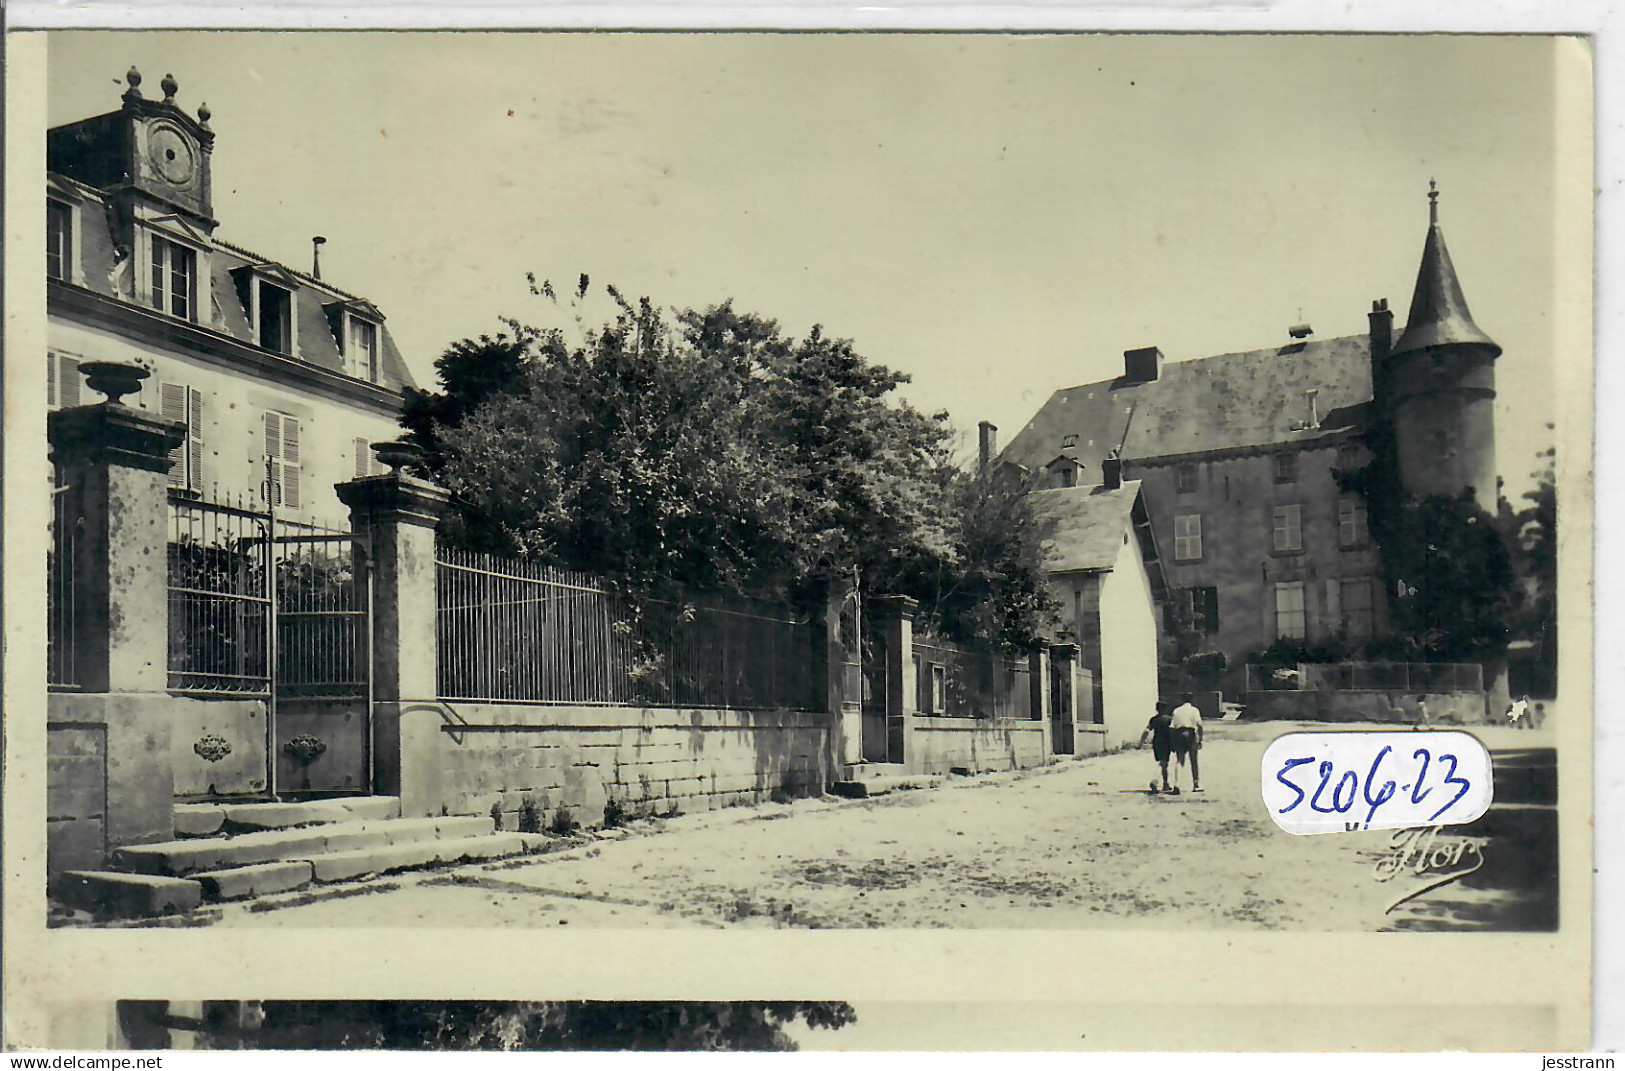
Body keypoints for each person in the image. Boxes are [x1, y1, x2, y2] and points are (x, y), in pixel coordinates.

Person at [1168, 692, 1204, 793]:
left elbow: (1172, 727)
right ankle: (1196, 784)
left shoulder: (1177, 710)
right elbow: (1200, 725)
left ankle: (1177, 784)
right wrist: (1200, 739)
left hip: (1179, 734)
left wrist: (1173, 740)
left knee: (1180, 760)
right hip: (1191, 734)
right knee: (1193, 760)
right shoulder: (1194, 710)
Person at [1138, 702, 1174, 794]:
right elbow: (1172, 732)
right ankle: (1160, 782)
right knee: (1164, 763)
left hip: (1157, 742)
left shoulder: (1153, 719)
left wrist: (1141, 742)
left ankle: (1160, 782)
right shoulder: (1169, 719)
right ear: (1165, 709)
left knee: (1161, 762)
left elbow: (1147, 731)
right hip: (1166, 742)